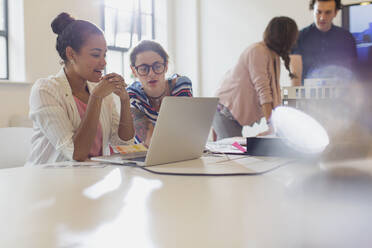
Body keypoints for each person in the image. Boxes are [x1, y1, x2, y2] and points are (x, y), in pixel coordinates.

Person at [26, 12, 134, 166]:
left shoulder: (98, 89)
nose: (103, 63)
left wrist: (124, 101)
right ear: (71, 54)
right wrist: (95, 98)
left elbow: (124, 144)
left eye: (105, 55)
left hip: (90, 179)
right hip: (49, 180)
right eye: (96, 54)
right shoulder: (44, 90)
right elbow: (76, 154)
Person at [213, 16, 298, 140]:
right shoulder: (257, 51)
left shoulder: (273, 56)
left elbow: (275, 93)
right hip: (225, 111)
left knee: (237, 153)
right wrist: (270, 125)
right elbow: (263, 91)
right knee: (233, 154)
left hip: (232, 114)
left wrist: (277, 125)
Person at [127, 40, 193, 146]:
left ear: (166, 66)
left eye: (157, 66)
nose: (151, 74)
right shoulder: (131, 95)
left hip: (179, 152)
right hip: (147, 157)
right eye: (144, 69)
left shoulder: (181, 85)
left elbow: (187, 131)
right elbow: (151, 141)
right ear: (134, 71)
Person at [290, 0, 357, 85]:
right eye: (318, 12)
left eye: (328, 12)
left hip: (340, 95)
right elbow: (295, 77)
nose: (322, 17)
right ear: (313, 11)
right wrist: (292, 97)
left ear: (335, 13)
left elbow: (353, 73)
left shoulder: (347, 38)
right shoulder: (299, 37)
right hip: (307, 95)